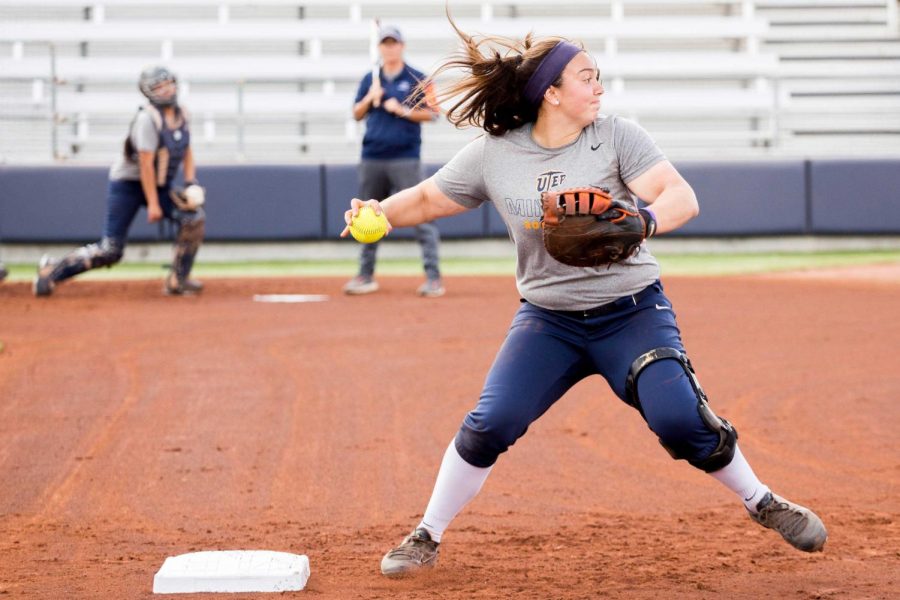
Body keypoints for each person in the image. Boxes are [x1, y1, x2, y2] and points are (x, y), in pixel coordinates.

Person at [341, 21, 828, 577]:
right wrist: (376, 212)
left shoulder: (618, 136)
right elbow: (429, 198)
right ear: (550, 92)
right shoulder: (496, 154)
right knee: (491, 422)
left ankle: (763, 501)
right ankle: (426, 533)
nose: (599, 88)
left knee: (679, 421)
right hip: (549, 322)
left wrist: (642, 221)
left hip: (633, 311)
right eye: (586, 77)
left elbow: (681, 196)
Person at [33, 65, 205, 297]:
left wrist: (190, 181)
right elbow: (145, 165)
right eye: (159, 87)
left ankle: (178, 280)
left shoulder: (183, 114)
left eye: (169, 84)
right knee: (111, 249)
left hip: (158, 184)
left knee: (193, 218)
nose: (167, 90)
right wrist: (153, 204)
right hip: (128, 184)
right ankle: (52, 270)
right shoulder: (147, 119)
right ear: (149, 92)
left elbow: (186, 149)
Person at [342, 24, 445, 298]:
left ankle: (433, 278)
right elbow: (356, 113)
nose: (389, 48)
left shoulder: (417, 77)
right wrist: (369, 99)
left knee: (423, 217)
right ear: (380, 48)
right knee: (365, 216)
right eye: (385, 43)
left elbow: (434, 112)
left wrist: (402, 110)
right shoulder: (370, 79)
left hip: (405, 157)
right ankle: (365, 275)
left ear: (402, 46)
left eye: (394, 43)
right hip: (372, 157)